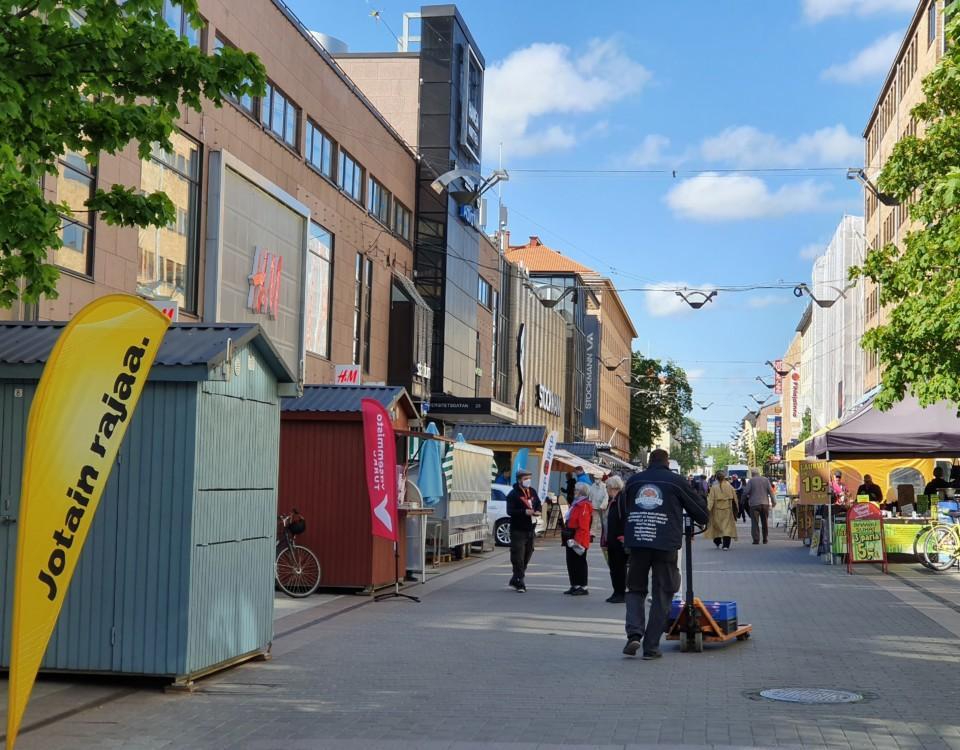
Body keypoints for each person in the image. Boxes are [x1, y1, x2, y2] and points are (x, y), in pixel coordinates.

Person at [621, 449, 708, 660]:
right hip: (665, 544)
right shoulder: (675, 481)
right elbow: (701, 512)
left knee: (635, 589)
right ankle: (651, 647)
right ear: (667, 462)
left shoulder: (634, 481)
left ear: (649, 461)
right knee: (663, 593)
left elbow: (624, 510)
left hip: (638, 541)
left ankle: (634, 634)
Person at [506, 468, 542, 592]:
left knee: (528, 553)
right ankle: (520, 581)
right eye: (525, 478)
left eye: (529, 478)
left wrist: (538, 511)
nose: (528, 481)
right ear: (519, 480)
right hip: (518, 529)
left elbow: (538, 504)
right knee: (518, 555)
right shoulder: (513, 494)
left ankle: (515, 578)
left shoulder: (532, 491)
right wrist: (524, 512)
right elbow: (510, 511)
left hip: (530, 528)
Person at [563, 483, 593, 596]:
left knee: (579, 562)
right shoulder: (576, 504)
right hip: (571, 534)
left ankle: (583, 586)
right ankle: (575, 585)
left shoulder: (583, 505)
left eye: (576, 490)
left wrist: (578, 541)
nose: (574, 491)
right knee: (571, 561)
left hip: (579, 536)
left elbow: (583, 526)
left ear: (581, 492)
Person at [602, 475, 627, 603]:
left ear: (613, 487)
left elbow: (625, 519)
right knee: (614, 567)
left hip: (618, 541)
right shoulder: (613, 500)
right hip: (612, 540)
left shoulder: (621, 500)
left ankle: (620, 593)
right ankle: (617, 592)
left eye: (607, 487)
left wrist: (624, 535)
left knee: (619, 568)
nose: (606, 489)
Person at [705, 471, 738, 550]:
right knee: (727, 527)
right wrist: (736, 509)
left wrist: (708, 510)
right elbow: (735, 499)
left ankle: (718, 542)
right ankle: (726, 545)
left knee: (716, 526)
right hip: (727, 509)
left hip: (716, 509)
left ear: (716, 478)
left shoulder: (714, 488)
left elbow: (711, 500)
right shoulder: (730, 486)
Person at [744, 469, 777, 545]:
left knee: (755, 522)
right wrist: (773, 501)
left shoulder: (751, 481)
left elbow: (746, 492)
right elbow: (771, 491)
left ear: (752, 474)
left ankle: (756, 539)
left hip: (754, 504)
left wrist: (742, 500)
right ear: (759, 473)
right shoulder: (765, 480)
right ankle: (765, 539)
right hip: (765, 504)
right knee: (765, 522)